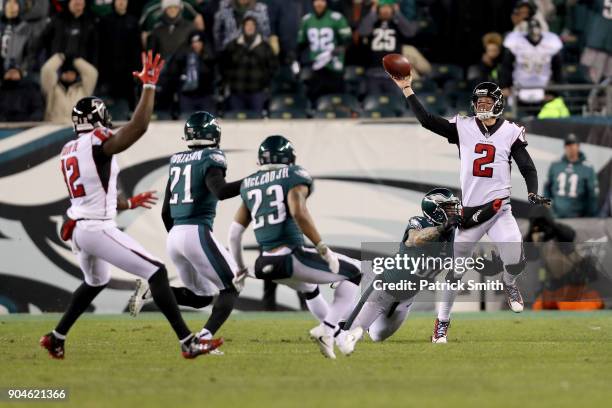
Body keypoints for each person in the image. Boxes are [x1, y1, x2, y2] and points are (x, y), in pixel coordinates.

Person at [40, 51, 222, 360]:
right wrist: (149, 87)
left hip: (79, 225)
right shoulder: (97, 141)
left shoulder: (69, 147)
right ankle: (187, 341)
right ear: (98, 118)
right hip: (96, 228)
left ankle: (56, 337)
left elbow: (94, 187)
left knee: (96, 281)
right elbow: (138, 128)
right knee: (157, 272)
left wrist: (126, 202)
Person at [391, 74, 551, 343]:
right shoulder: (463, 126)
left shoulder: (510, 131)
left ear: (498, 103)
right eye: (478, 101)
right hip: (470, 214)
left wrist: (532, 190)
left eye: (487, 101)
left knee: (514, 255)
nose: (482, 105)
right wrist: (407, 89)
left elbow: (526, 166)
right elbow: (427, 120)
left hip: (500, 209)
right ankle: (441, 324)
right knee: (455, 271)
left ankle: (509, 283)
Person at [228, 135, 362, 359]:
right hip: (289, 256)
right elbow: (298, 211)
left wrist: (240, 268)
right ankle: (328, 329)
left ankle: (340, 339)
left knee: (310, 289)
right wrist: (322, 248)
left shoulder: (250, 182)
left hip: (263, 264)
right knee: (356, 270)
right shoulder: (293, 175)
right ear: (290, 158)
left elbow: (234, 233)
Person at [129, 111, 246, 352]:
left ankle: (152, 291)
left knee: (201, 296)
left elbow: (165, 211)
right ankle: (203, 338)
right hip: (196, 232)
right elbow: (221, 191)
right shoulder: (212, 156)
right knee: (233, 285)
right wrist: (254, 182)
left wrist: (179, 238)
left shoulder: (178, 160)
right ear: (213, 135)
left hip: (175, 236)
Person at [340, 188, 462, 352]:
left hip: (407, 297)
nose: (453, 211)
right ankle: (355, 284)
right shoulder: (419, 222)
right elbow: (415, 239)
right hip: (384, 288)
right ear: (436, 209)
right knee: (352, 334)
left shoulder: (452, 234)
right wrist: (442, 227)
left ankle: (363, 303)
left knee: (378, 336)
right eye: (448, 207)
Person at [358, 0, 423, 95]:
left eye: (388, 7)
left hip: (395, 74)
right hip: (374, 72)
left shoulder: (397, 23)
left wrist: (398, 14)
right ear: (377, 9)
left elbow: (410, 33)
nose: (385, 10)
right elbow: (363, 32)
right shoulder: (372, 22)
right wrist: (372, 13)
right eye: (383, 7)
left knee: (397, 102)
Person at [501, 18, 563, 109]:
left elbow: (557, 69)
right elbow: (507, 66)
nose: (535, 34)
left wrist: (553, 92)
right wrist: (505, 85)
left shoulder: (551, 43)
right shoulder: (516, 42)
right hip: (519, 88)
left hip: (544, 88)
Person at [298, 0, 351, 103]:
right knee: (315, 100)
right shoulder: (307, 19)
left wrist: (339, 49)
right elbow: (301, 43)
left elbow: (347, 40)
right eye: (316, 1)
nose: (319, 4)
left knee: (336, 100)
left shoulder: (336, 18)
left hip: (333, 65)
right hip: (315, 66)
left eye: (322, 1)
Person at [221, 16, 277, 114]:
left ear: (256, 28)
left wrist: (265, 83)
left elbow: (273, 67)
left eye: (252, 25)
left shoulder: (265, 47)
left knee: (256, 124)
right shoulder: (233, 46)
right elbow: (224, 66)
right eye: (247, 25)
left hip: (257, 92)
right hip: (236, 92)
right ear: (243, 27)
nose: (250, 27)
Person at [98, 0, 142, 110]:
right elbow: (100, 46)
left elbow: (138, 48)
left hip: (128, 70)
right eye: (118, 0)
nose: (121, 2)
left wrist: (138, 69)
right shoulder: (105, 21)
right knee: (109, 104)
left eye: (124, 0)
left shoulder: (133, 21)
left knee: (129, 102)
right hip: (108, 69)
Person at [544, 133, 599, 218]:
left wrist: (589, 215)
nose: (570, 148)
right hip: (556, 215)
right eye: (568, 145)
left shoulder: (587, 167)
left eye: (573, 145)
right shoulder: (555, 165)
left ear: (578, 146)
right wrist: (548, 208)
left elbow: (592, 194)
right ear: (565, 147)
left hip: (578, 216)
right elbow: (547, 188)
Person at [169, 30, 217, 116]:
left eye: (198, 42)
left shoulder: (209, 56)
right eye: (193, 42)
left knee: (207, 122)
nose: (196, 44)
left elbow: (215, 72)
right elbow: (173, 71)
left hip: (205, 96)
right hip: (187, 96)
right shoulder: (182, 55)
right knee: (186, 122)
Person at [40, 53, 98, 123]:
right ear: (61, 73)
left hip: (76, 130)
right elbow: (47, 70)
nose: (69, 75)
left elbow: (92, 73)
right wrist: (60, 57)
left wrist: (76, 60)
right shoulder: (52, 88)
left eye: (72, 73)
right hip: (54, 129)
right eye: (66, 72)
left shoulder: (83, 90)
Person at [40, 0, 99, 65]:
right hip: (58, 57)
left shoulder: (90, 22)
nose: (78, 2)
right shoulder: (58, 19)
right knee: (48, 68)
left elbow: (92, 47)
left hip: (80, 59)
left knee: (92, 73)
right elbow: (46, 40)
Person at [0, 0, 37, 76]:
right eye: (9, 2)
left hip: (15, 71)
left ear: (20, 6)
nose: (11, 5)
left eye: (15, 2)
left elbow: (31, 55)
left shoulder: (26, 28)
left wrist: (20, 70)